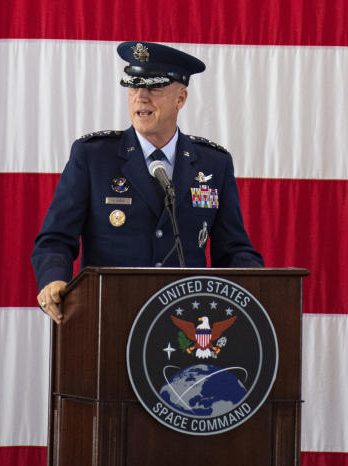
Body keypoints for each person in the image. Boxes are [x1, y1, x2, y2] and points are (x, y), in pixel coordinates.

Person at [33, 41, 263, 322]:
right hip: (109, 315)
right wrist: (54, 279)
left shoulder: (213, 163)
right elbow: (55, 239)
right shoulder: (94, 157)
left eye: (153, 87)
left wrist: (262, 286)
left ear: (181, 99)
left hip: (183, 320)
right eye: (133, 86)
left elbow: (233, 250)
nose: (140, 97)